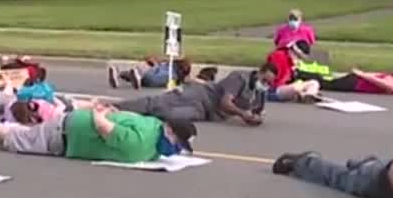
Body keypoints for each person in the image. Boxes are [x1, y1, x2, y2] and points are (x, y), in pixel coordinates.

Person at [0, 102, 196, 163]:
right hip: (65, 136)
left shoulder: (153, 124)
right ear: (169, 130)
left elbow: (124, 117)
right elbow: (104, 128)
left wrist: (107, 113)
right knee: (17, 138)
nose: (176, 149)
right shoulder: (139, 143)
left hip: (68, 128)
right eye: (177, 142)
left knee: (27, 134)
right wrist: (98, 113)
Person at [115, 63, 275, 126]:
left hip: (204, 112)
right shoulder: (239, 78)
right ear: (258, 73)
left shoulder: (259, 92)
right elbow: (225, 103)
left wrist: (256, 118)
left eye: (269, 83)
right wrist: (243, 115)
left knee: (168, 115)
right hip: (199, 95)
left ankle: (124, 119)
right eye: (264, 80)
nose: (265, 85)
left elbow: (257, 110)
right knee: (156, 103)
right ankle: (112, 108)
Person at [108, 58, 192, 90]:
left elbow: (157, 68)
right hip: (152, 83)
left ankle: (119, 73)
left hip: (150, 76)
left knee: (144, 68)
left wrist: (154, 63)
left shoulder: (168, 67)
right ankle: (133, 77)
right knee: (137, 75)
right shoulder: (176, 78)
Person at [320, 69, 393, 96]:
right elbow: (376, 80)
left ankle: (309, 78)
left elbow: (376, 74)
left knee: (328, 83)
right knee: (327, 85)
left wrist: (362, 74)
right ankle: (308, 79)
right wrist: (361, 74)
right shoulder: (392, 85)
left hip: (355, 81)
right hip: (356, 84)